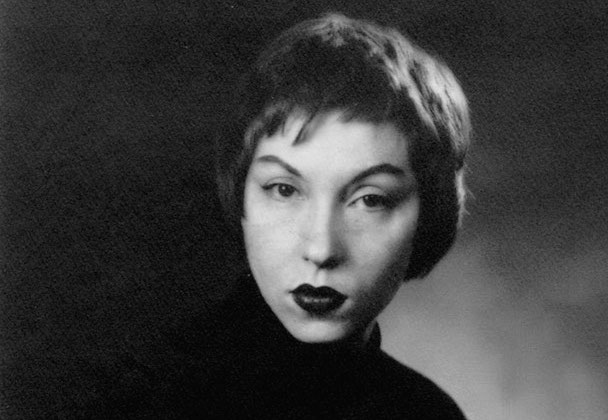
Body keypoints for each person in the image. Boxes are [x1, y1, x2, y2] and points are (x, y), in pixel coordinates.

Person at [89, 12, 470, 419]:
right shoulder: (148, 399)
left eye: (370, 199)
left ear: (428, 215)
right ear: (241, 196)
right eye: (284, 190)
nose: (321, 249)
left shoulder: (426, 413)